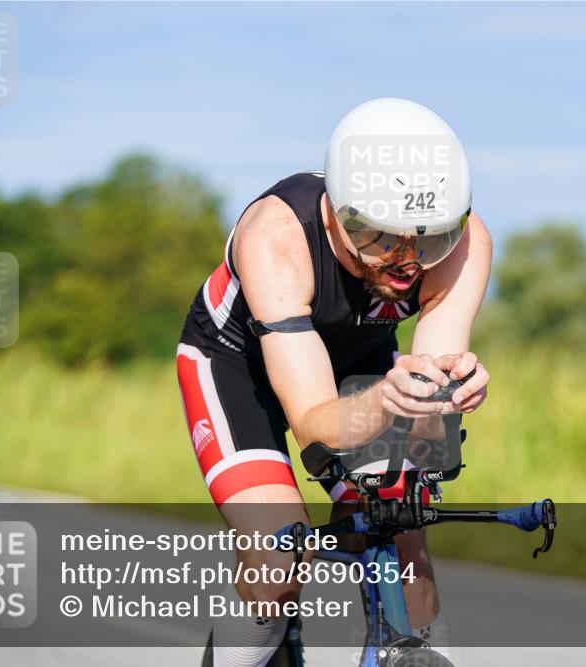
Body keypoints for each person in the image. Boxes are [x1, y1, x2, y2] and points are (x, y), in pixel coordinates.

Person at [176, 97, 492, 667]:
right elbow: (315, 425)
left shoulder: (465, 243)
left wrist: (447, 398)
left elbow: (429, 409)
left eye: (429, 240)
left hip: (360, 366)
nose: (408, 263)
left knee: (403, 542)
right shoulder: (276, 237)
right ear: (338, 214)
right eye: (382, 238)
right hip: (236, 366)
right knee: (278, 558)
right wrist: (391, 403)